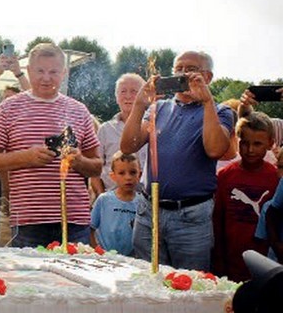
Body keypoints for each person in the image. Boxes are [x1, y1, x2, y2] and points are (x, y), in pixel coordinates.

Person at [121, 51, 233, 271]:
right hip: (148, 212)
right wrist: (139, 105)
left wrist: (207, 101)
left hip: (191, 216)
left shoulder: (221, 110)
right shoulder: (158, 108)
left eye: (191, 69)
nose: (183, 74)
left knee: (189, 287)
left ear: (207, 77)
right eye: (178, 69)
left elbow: (215, 149)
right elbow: (128, 146)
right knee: (146, 281)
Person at [0, 43, 102, 247]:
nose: (46, 78)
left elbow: (97, 165)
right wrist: (26, 157)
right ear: (28, 71)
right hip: (27, 222)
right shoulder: (7, 108)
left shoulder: (79, 110)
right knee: (29, 278)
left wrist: (79, 161)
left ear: (64, 73)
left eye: (54, 72)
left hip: (74, 221)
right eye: (40, 71)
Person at [213, 112, 279, 281]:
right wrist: (219, 260)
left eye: (257, 144)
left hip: (265, 262)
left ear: (270, 144)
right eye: (245, 143)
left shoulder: (276, 178)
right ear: (237, 141)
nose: (250, 150)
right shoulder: (225, 176)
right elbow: (217, 220)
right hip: (230, 260)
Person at [90, 73, 146, 199]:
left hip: (146, 202)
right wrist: (102, 197)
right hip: (112, 200)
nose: (128, 96)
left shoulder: (152, 127)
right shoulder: (105, 129)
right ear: (116, 97)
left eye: (134, 91)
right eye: (123, 91)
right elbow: (95, 170)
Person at [90, 152, 140, 256]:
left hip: (133, 260)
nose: (128, 178)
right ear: (113, 176)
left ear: (139, 174)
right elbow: (91, 228)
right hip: (105, 258)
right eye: (122, 173)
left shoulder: (142, 203)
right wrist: (96, 250)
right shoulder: (104, 200)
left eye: (133, 172)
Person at [254, 150, 283, 262]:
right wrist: (277, 245)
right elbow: (261, 243)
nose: (280, 173)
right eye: (280, 167)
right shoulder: (268, 207)